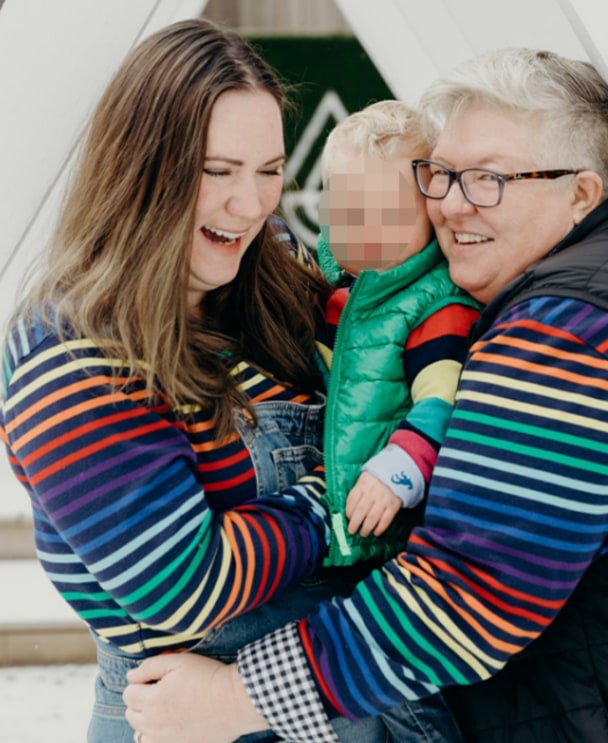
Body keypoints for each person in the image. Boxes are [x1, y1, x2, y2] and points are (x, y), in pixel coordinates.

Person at [124, 46, 608, 743]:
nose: (451, 204)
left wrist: (235, 697)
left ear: (581, 192)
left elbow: (465, 590)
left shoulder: (569, 337)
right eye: (442, 174)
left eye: (488, 178)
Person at [0, 19, 379, 743]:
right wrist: (344, 493)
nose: (252, 203)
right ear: (142, 165)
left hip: (327, 701)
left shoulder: (273, 265)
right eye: (218, 171)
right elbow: (186, 589)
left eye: (270, 169)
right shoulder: (70, 352)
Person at [315, 100, 481, 741]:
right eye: (346, 208)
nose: (361, 227)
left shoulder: (432, 305)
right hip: (346, 534)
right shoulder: (344, 295)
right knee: (353, 700)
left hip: (396, 536)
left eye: (386, 214)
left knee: (400, 688)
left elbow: (441, 400)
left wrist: (397, 472)